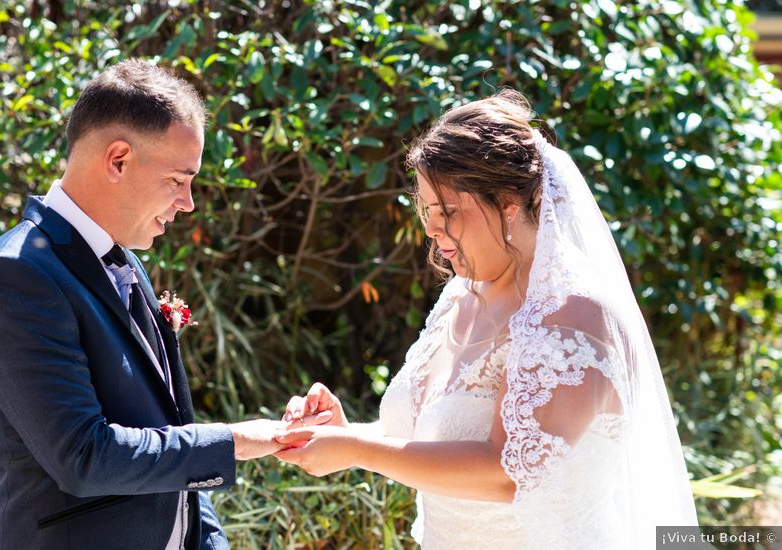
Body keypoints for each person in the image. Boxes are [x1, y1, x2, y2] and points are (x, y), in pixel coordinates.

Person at [275, 90, 699, 548]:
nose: (432, 230)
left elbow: (509, 474)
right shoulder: (460, 298)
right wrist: (344, 434)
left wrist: (355, 451)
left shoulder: (576, 317)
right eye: (426, 211)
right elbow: (425, 442)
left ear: (507, 203)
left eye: (448, 211)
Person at [0, 59, 284, 550]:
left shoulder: (126, 261)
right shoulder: (15, 274)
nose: (188, 202)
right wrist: (235, 441)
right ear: (118, 160)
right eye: (178, 179)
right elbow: (84, 458)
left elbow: (173, 437)